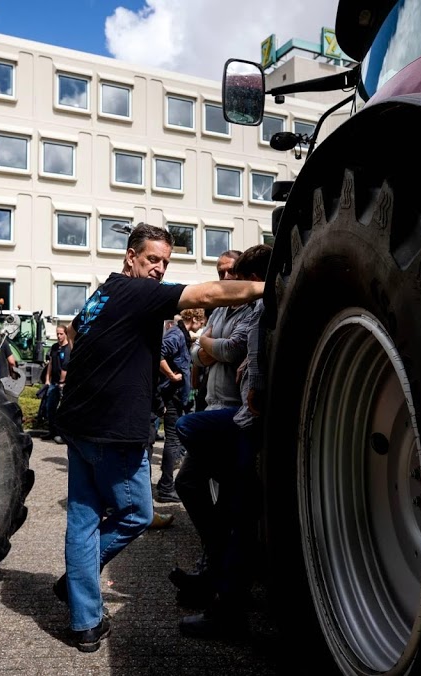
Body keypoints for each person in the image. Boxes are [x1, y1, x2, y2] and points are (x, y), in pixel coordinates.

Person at [50, 223, 264, 653]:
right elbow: (206, 296)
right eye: (152, 260)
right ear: (130, 257)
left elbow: (74, 332)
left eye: (165, 262)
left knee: (84, 518)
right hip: (113, 431)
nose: (159, 269)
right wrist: (269, 285)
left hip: (80, 425)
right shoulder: (137, 293)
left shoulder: (102, 294)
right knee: (135, 514)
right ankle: (79, 584)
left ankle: (85, 622)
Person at [171, 244, 272, 639]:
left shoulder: (258, 308)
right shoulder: (223, 310)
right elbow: (200, 353)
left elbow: (238, 353)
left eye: (232, 273)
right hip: (220, 408)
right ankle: (216, 570)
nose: (224, 280)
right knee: (193, 486)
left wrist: (215, 351)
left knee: (235, 510)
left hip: (236, 415)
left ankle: (224, 596)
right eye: (220, 272)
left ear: (250, 279)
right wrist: (210, 350)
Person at [153, 309, 202, 503]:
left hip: (176, 396)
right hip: (172, 395)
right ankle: (166, 487)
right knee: (173, 441)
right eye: (202, 320)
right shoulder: (176, 334)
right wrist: (172, 376)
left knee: (175, 441)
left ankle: (165, 484)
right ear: (196, 319)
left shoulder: (181, 334)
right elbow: (159, 354)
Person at [192, 250, 241, 412]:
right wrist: (215, 350)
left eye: (231, 271)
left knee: (184, 426)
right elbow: (194, 353)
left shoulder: (252, 309)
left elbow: (231, 351)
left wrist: (206, 342)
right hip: (211, 404)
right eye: (221, 273)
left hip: (238, 406)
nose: (226, 277)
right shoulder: (218, 311)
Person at [44, 324, 71, 444]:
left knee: (62, 410)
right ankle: (52, 432)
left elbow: (66, 367)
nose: (59, 336)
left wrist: (62, 382)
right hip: (53, 383)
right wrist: (47, 379)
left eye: (61, 334)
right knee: (50, 408)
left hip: (63, 384)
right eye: (57, 334)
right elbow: (50, 364)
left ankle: (62, 435)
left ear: (66, 334)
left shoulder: (68, 348)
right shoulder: (54, 347)